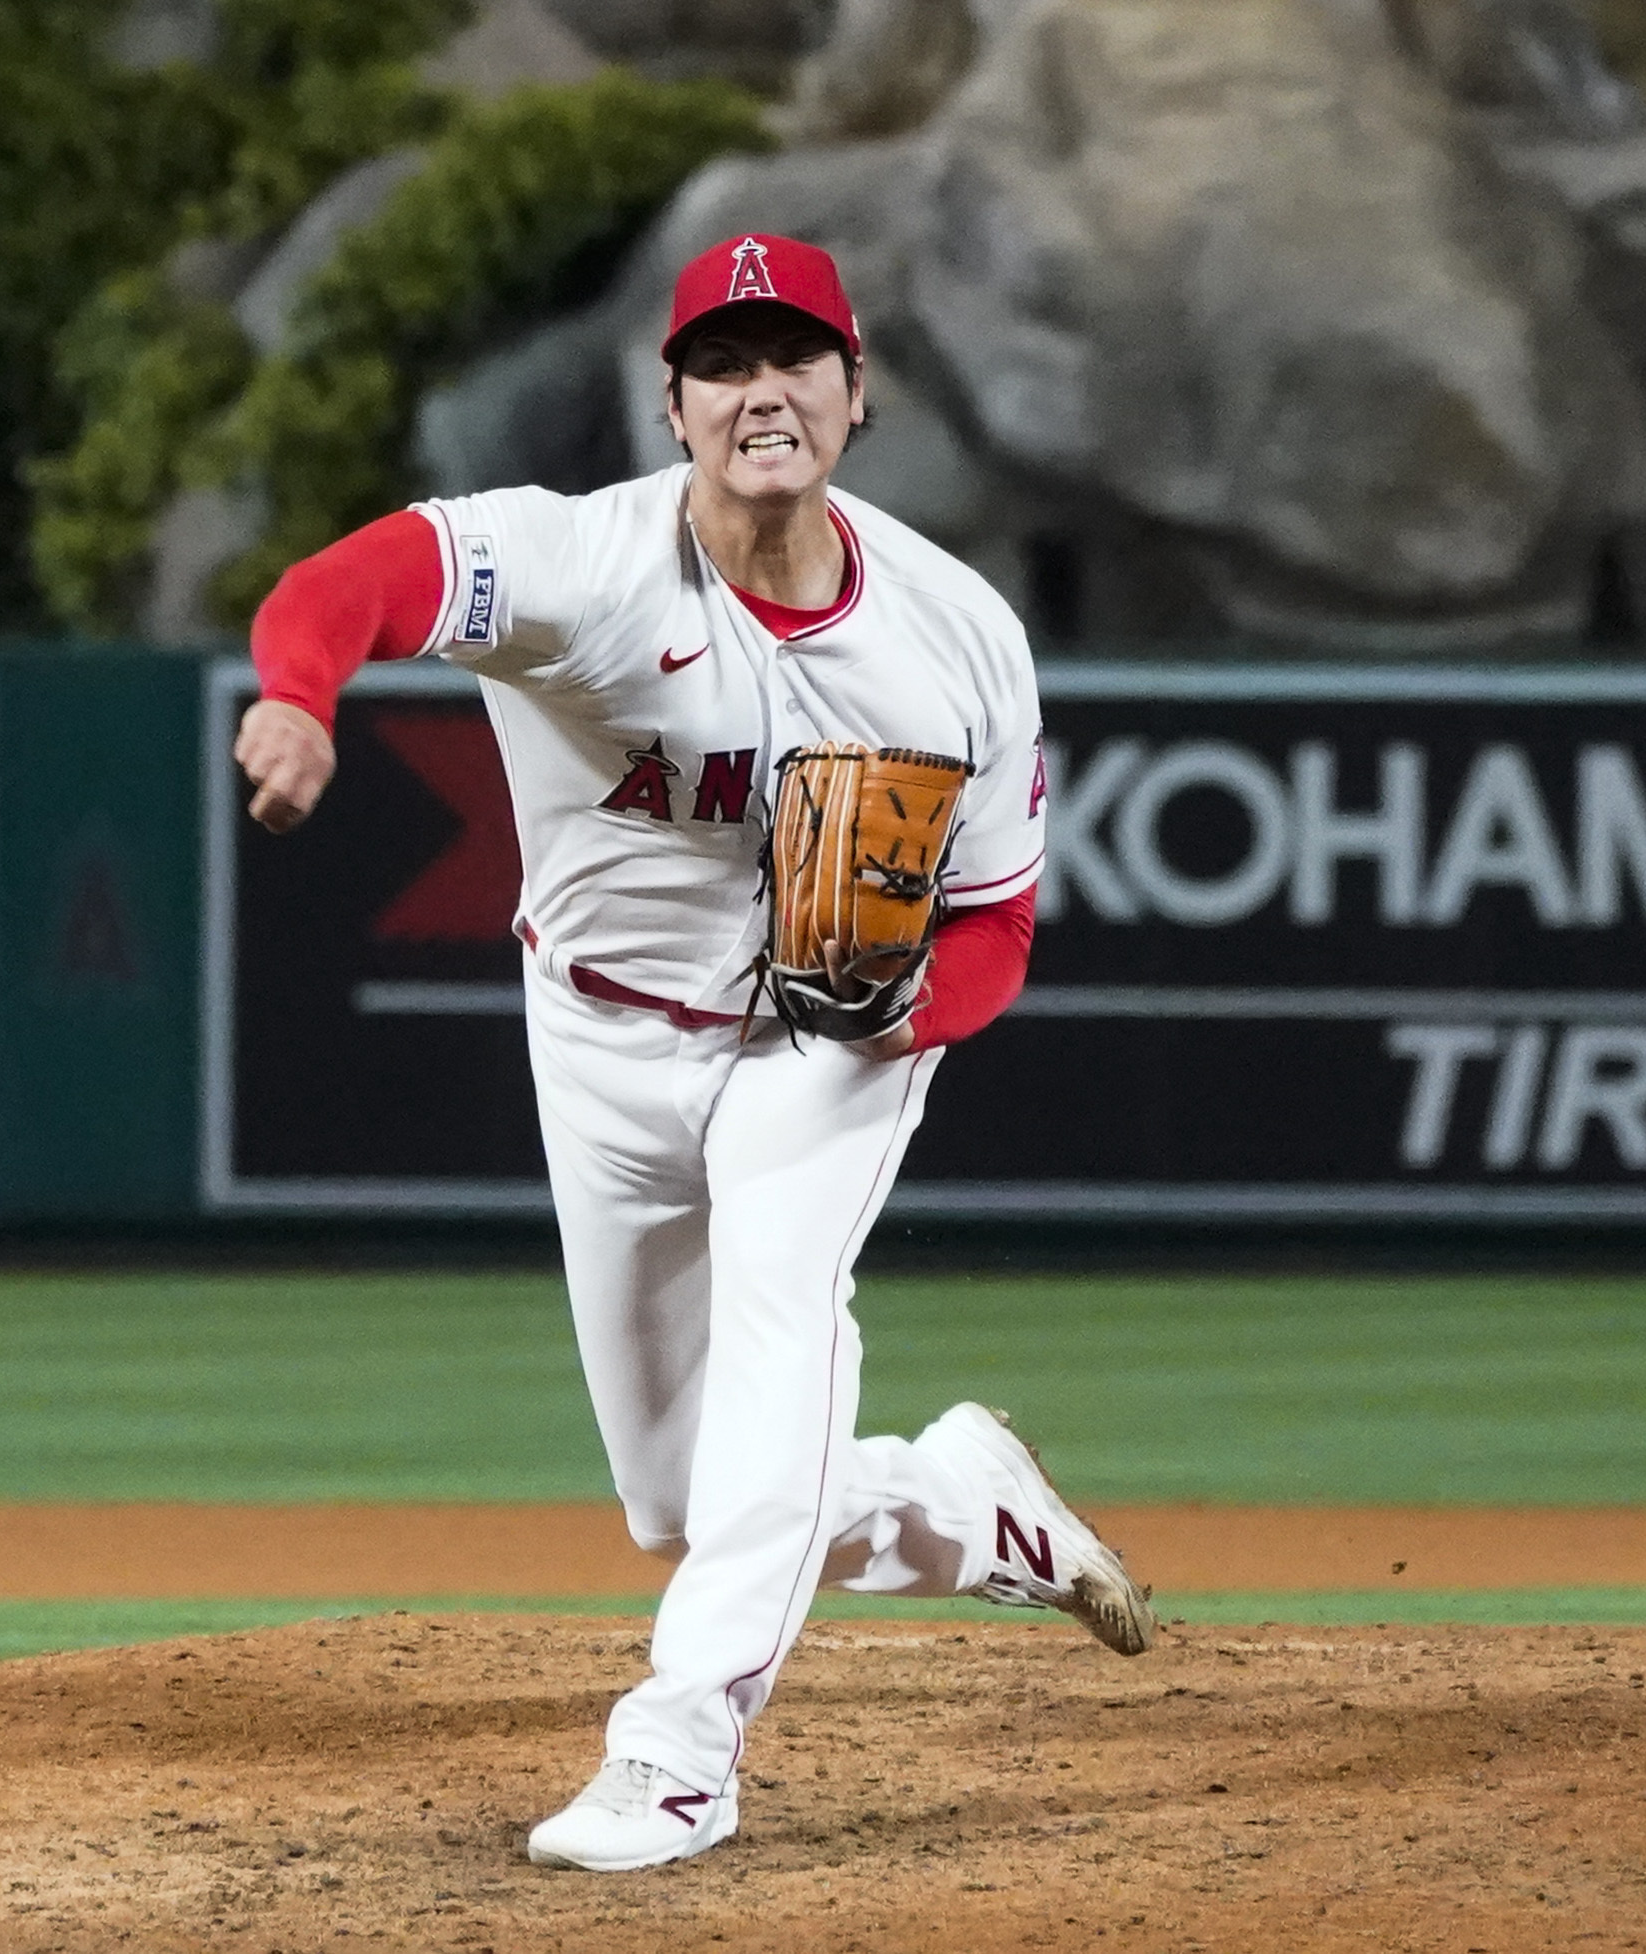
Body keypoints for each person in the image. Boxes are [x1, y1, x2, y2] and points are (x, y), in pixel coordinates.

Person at [234, 233, 1157, 1874]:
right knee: (677, 1495)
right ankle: (965, 1509)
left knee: (785, 1332)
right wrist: (302, 694)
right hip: (594, 1033)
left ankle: (677, 1754)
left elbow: (997, 930)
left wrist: (899, 1013)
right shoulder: (578, 566)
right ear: (673, 405)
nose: (763, 391)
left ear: (856, 396)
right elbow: (347, 585)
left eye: (797, 357)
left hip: (820, 1047)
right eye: (725, 364)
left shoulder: (960, 636)